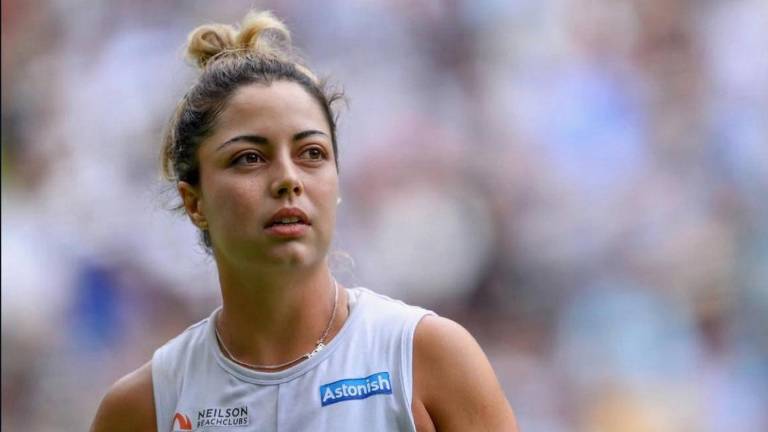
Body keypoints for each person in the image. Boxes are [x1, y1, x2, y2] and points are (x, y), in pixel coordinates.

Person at [90, 10, 518, 432]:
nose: (288, 179)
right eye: (249, 158)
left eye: (312, 154)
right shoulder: (145, 407)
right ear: (194, 201)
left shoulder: (426, 358)